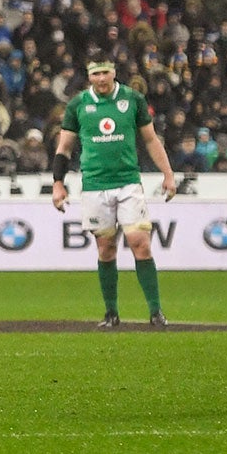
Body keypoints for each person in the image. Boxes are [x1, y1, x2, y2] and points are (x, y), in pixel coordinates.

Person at [50, 59, 177, 329]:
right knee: (105, 249)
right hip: (95, 185)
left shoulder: (133, 100)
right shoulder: (78, 105)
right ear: (89, 76)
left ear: (114, 72)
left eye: (105, 72)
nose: (101, 78)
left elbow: (151, 139)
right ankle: (111, 314)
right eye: (95, 73)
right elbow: (64, 147)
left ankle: (155, 312)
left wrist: (168, 174)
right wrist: (58, 183)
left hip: (128, 182)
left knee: (139, 242)